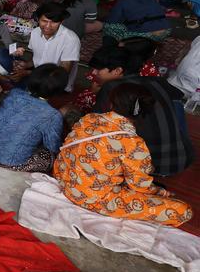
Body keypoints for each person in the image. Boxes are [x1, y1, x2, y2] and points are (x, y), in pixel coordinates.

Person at [53, 83, 193, 227]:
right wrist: (160, 191)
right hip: (93, 198)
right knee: (183, 211)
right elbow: (139, 186)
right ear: (144, 111)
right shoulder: (133, 142)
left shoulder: (89, 118)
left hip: (65, 181)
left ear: (112, 103)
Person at [88, 45, 193, 176]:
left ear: (117, 70)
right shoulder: (157, 81)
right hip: (182, 159)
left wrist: (95, 94)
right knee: (175, 103)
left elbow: (94, 125)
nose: (94, 73)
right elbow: (178, 95)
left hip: (148, 166)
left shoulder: (111, 87)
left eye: (98, 70)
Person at [0, 64, 69, 172]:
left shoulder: (15, 93)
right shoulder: (53, 115)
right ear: (58, 90)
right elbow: (53, 147)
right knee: (49, 157)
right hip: (5, 160)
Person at [14, 2, 81, 91]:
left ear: (61, 22)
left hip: (55, 85)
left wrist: (27, 73)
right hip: (35, 74)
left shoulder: (71, 39)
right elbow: (37, 59)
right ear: (38, 19)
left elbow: (61, 74)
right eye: (44, 21)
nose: (48, 26)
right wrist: (26, 65)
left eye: (53, 22)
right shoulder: (35, 33)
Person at [103, 0, 170, 43]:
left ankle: (122, 44)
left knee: (108, 27)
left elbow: (112, 21)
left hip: (146, 35)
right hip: (165, 31)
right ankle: (153, 42)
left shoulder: (123, 1)